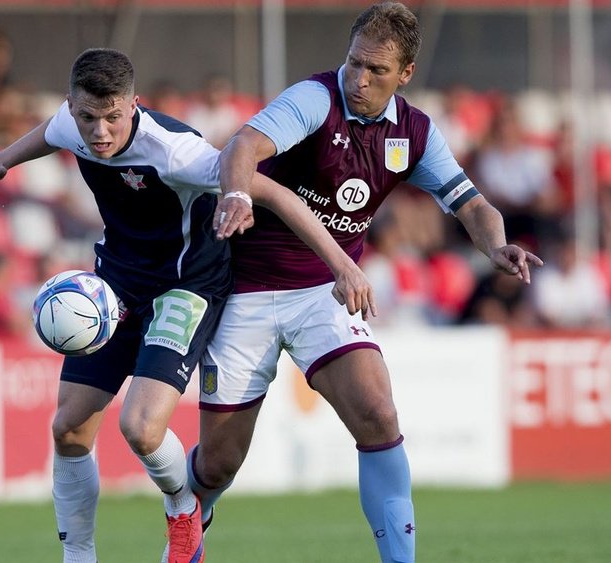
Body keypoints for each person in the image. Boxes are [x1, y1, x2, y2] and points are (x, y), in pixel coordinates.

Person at [0, 48, 371, 563]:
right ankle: (79, 555)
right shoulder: (73, 123)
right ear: (73, 106)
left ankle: (184, 507)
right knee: (68, 428)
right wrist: (1, 160)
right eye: (88, 117)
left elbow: (276, 195)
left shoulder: (176, 152)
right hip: (118, 287)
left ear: (134, 105)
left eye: (113, 117)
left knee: (140, 428)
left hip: (186, 285)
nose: (100, 132)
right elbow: (50, 131)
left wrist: (342, 264)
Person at [191, 3, 543, 562]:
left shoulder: (416, 133)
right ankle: (189, 518)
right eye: (354, 63)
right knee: (216, 465)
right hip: (248, 290)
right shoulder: (314, 99)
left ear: (404, 74)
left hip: (325, 293)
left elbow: (471, 204)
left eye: (376, 70)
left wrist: (495, 244)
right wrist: (236, 193)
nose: (358, 79)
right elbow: (244, 147)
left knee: (378, 412)